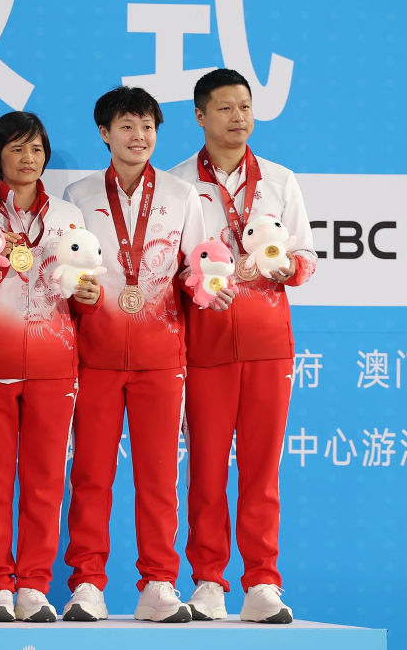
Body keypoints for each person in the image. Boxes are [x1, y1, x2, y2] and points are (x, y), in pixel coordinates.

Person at [168, 68, 316, 624]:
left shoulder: (280, 179)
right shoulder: (178, 185)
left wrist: (284, 265)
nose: (239, 118)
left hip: (268, 345)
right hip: (204, 346)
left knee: (261, 470)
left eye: (246, 107)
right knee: (206, 470)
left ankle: (262, 583)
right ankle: (208, 580)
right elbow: (173, 266)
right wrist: (200, 285)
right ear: (200, 116)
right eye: (226, 108)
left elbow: (307, 258)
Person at [62, 86, 214, 623]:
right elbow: (65, 272)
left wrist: (208, 283)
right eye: (127, 126)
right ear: (105, 133)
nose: (139, 136)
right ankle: (87, 583)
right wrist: (76, 293)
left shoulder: (181, 194)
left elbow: (197, 266)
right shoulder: (78, 195)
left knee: (158, 478)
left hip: (161, 356)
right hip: (94, 355)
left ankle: (158, 582)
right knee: (91, 475)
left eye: (148, 126)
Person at [0, 111, 100, 623]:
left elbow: (83, 287)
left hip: (54, 365)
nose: (29, 158)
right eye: (18, 148)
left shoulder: (67, 215)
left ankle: (34, 586)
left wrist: (89, 296)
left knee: (45, 482)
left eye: (37, 149)